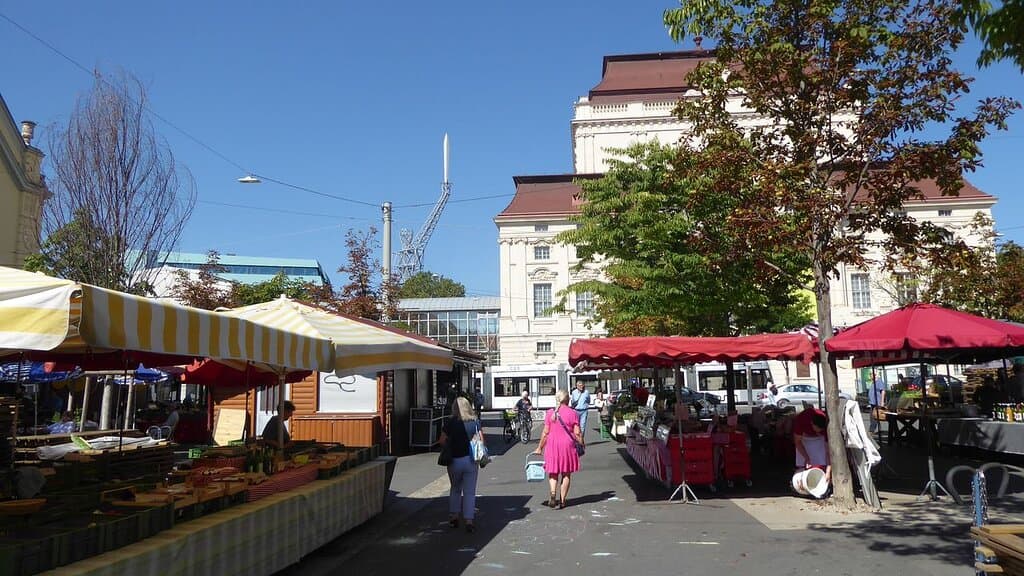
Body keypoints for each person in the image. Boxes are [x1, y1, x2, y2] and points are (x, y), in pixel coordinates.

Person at [533, 389, 583, 509]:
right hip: (567, 446)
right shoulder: (573, 413)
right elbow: (577, 433)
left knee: (553, 472)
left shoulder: (550, 413)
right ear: (567, 399)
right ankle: (562, 500)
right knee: (566, 473)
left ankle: (553, 493)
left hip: (552, 445)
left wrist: (539, 447)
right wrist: (582, 444)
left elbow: (545, 432)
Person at [438, 396, 481, 533]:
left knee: (455, 488)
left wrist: (450, 445)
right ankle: (469, 520)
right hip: (471, 460)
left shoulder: (450, 422)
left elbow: (442, 440)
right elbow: (482, 441)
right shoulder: (474, 422)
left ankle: (454, 516)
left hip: (454, 460)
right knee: (469, 491)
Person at [792, 403, 831, 483]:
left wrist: (828, 472)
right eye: (816, 429)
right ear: (812, 424)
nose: (818, 431)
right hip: (804, 437)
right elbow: (797, 442)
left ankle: (821, 469)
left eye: (820, 430)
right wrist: (806, 457)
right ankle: (801, 473)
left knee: (821, 453)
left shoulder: (826, 427)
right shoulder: (801, 421)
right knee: (802, 458)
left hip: (819, 439)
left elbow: (828, 452)